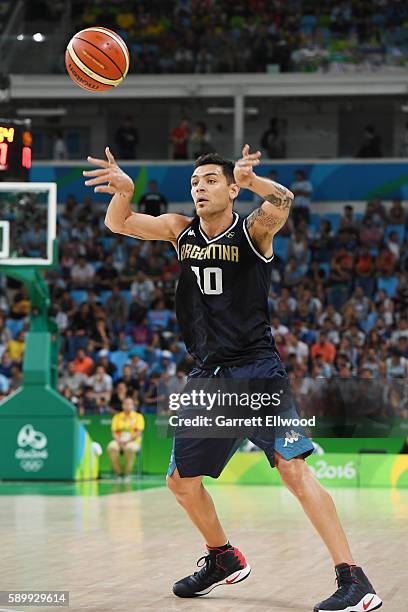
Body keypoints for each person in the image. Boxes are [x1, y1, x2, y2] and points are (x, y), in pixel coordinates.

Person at [83, 145, 382, 611]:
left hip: (255, 371)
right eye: (194, 183)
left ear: (232, 188)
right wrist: (123, 193)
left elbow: (281, 202)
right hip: (208, 377)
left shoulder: (252, 232)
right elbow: (119, 224)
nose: (199, 188)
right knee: (181, 481)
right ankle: (222, 558)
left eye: (209, 180)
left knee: (292, 469)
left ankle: (354, 579)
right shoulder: (181, 232)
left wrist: (256, 180)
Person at [106, 397, 145, 481]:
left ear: (133, 405)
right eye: (125, 404)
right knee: (111, 447)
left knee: (129, 448)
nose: (127, 406)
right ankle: (119, 473)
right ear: (122, 405)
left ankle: (127, 473)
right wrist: (119, 441)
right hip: (119, 440)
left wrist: (127, 441)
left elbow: (138, 432)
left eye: (129, 404)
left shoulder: (138, 417)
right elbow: (114, 432)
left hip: (133, 441)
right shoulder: (117, 417)